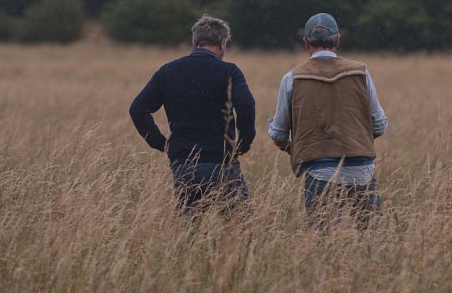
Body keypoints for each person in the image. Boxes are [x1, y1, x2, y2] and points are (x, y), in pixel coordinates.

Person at [268, 12, 388, 229]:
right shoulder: (361, 73)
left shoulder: (292, 78)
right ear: (337, 40)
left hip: (319, 173)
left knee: (324, 246)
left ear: (306, 43)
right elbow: (379, 125)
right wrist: (355, 138)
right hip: (362, 171)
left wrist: (291, 148)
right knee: (373, 241)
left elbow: (278, 135)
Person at [129, 14, 255, 212]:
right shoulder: (229, 71)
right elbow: (246, 104)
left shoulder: (167, 71)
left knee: (191, 233)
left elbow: (137, 110)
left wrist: (162, 144)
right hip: (221, 161)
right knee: (243, 226)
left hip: (183, 164)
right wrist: (243, 144)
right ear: (222, 43)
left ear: (195, 42)